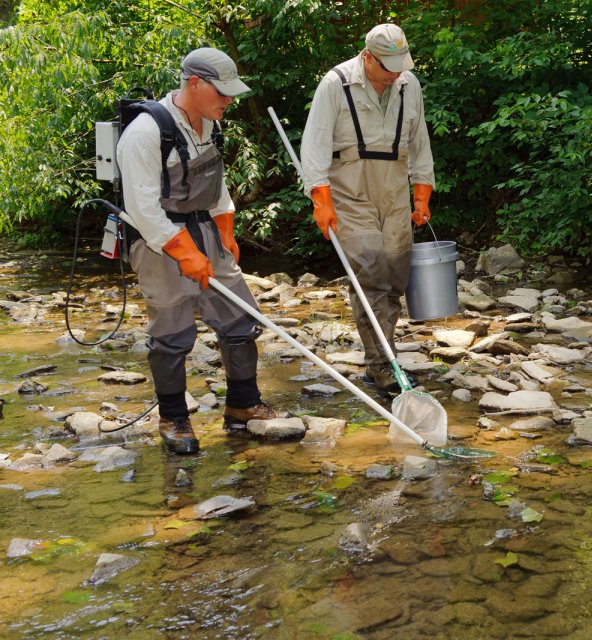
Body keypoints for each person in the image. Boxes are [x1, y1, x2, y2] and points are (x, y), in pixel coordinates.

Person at [116, 47, 288, 454]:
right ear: (194, 83)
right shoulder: (144, 132)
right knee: (173, 334)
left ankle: (243, 405)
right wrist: (186, 254)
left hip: (205, 230)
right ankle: (174, 419)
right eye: (222, 92)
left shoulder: (210, 124)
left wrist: (225, 231)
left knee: (241, 321)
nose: (229, 101)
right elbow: (142, 209)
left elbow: (216, 188)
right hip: (157, 241)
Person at [301, 23, 435, 393]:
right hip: (348, 187)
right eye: (388, 66)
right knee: (371, 268)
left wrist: (422, 194)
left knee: (395, 272)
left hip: (394, 187)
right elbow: (313, 145)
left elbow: (419, 141)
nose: (395, 73)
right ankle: (381, 364)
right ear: (367, 58)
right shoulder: (336, 83)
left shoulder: (409, 84)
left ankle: (383, 355)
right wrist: (321, 201)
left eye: (400, 65)